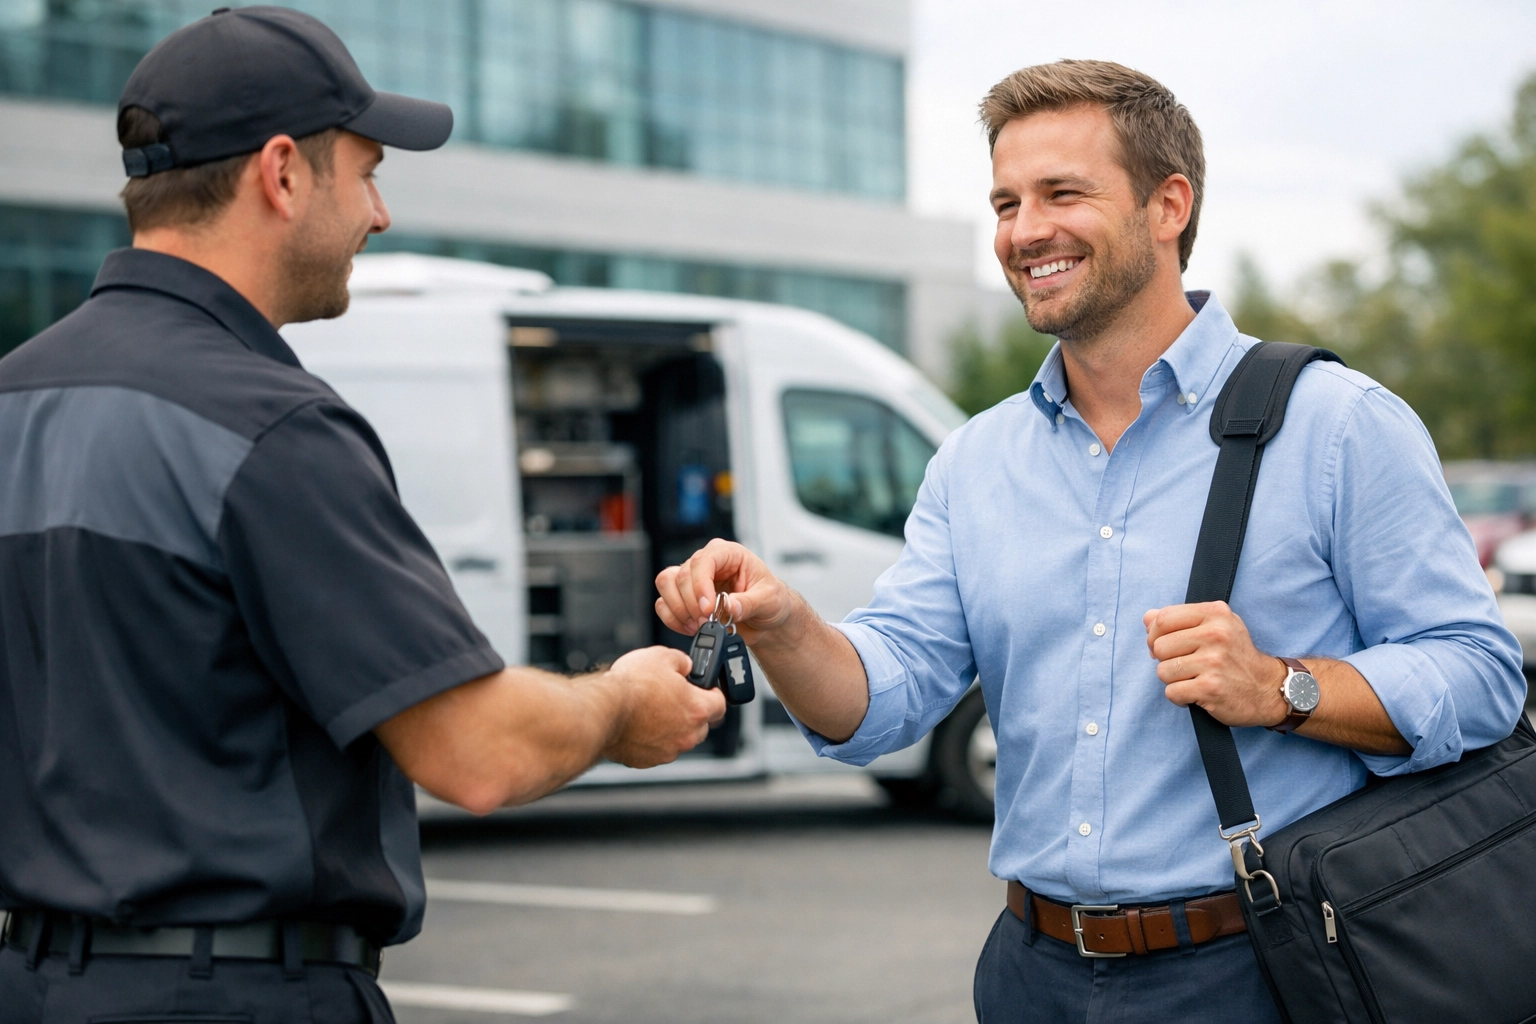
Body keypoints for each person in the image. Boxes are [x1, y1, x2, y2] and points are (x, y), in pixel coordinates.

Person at [656, 59, 1526, 1021]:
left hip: (1256, 971)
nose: (1024, 231)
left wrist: (1282, 688)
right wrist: (784, 624)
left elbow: (1481, 673)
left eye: (1061, 194)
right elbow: (882, 703)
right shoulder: (976, 461)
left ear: (1168, 206)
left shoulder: (1339, 425)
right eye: (1006, 203)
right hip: (1030, 975)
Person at [0, 8, 724, 1023]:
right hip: (238, 995)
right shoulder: (269, 426)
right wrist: (622, 703)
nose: (379, 214)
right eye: (368, 171)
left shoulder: (13, 400)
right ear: (283, 173)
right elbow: (477, 753)